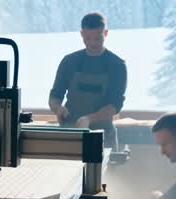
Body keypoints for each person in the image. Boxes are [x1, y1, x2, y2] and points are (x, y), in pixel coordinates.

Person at [48, 11, 127, 151]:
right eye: (88, 38)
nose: (92, 43)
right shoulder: (69, 62)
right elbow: (55, 96)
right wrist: (58, 108)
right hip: (70, 135)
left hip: (103, 138)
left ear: (106, 33)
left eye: (98, 38)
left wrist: (89, 118)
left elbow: (115, 105)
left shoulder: (117, 65)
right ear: (81, 34)